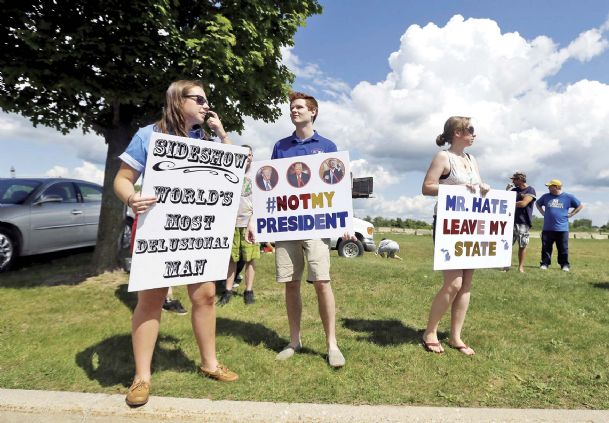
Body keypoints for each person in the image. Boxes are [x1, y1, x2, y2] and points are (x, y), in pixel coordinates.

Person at [114, 80, 238, 407]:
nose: (205, 105)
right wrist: (132, 198)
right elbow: (122, 179)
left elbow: (238, 169)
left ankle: (210, 363)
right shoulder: (147, 135)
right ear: (177, 100)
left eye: (207, 100)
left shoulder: (206, 139)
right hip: (159, 232)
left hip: (197, 235)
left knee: (207, 295)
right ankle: (142, 376)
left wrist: (221, 132)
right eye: (199, 99)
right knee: (152, 300)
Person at [271, 91, 346, 368]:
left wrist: (343, 221)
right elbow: (272, 188)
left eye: (299, 107)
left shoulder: (327, 145)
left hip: (316, 225)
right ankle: (294, 341)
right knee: (291, 283)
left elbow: (336, 185)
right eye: (291, 107)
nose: (294, 110)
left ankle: (332, 344)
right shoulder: (281, 146)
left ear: (312, 112)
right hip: (287, 225)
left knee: (322, 282)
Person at [421, 116, 490, 356]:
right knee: (454, 283)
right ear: (457, 132)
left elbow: (475, 186)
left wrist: (484, 188)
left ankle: (455, 336)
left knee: (466, 284)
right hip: (448, 225)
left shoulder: (472, 159)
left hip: (470, 226)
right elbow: (427, 187)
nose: (474, 133)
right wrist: (456, 189)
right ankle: (430, 332)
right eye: (470, 129)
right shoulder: (443, 157)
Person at [218, 145, 258, 306]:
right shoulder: (230, 172)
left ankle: (248, 291)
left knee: (250, 258)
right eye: (244, 155)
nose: (247, 157)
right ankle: (228, 291)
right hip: (232, 223)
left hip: (250, 223)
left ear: (252, 157)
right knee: (231, 259)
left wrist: (253, 221)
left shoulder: (257, 174)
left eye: (249, 154)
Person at [535, 179, 583, 272]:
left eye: (550, 186)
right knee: (546, 248)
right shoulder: (545, 196)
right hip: (547, 228)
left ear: (557, 187)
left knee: (563, 248)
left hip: (562, 228)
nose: (548, 188)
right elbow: (537, 203)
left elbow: (580, 205)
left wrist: (572, 214)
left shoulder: (568, 197)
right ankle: (545, 263)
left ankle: (564, 265)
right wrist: (542, 212)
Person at [505, 171, 536, 273]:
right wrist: (507, 190)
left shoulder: (530, 190)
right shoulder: (514, 190)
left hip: (523, 222)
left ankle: (520, 267)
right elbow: (504, 201)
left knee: (522, 246)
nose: (513, 181)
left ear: (520, 179)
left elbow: (523, 204)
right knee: (507, 245)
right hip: (510, 221)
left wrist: (511, 202)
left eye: (514, 179)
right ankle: (505, 266)